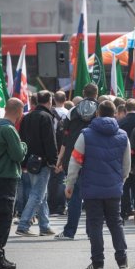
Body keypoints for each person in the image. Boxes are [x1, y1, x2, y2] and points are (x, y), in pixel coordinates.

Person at [65, 100, 131, 269]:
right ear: (115, 113)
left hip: (91, 189)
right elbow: (126, 165)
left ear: (97, 113)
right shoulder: (123, 135)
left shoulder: (85, 134)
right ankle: (122, 261)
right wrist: (121, 181)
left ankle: (98, 263)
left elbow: (75, 161)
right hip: (114, 187)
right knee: (116, 224)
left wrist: (69, 183)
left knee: (95, 225)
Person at [0, 98, 27, 269]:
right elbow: (18, 155)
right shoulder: (9, 129)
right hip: (6, 176)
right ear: (18, 111)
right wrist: (24, 145)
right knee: (3, 219)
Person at [53, 83, 98, 240]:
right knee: (93, 198)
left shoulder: (72, 111)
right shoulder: (100, 110)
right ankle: (91, 232)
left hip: (73, 158)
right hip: (95, 159)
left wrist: (59, 159)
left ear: (83, 93)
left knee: (73, 195)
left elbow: (65, 139)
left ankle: (69, 231)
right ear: (96, 94)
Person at [16, 90, 57, 237]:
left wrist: (23, 160)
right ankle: (23, 224)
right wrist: (53, 160)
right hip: (43, 161)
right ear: (50, 100)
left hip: (30, 160)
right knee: (38, 194)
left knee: (41, 194)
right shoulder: (46, 117)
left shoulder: (27, 117)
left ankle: (44, 226)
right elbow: (50, 141)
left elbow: (22, 139)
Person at [118, 99, 135, 222]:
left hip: (124, 158)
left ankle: (124, 212)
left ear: (125, 110)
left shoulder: (121, 122)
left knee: (125, 187)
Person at [49, 91, 69, 216]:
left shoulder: (49, 113)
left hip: (53, 148)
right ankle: (61, 206)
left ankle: (51, 206)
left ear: (54, 100)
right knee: (62, 179)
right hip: (65, 148)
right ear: (65, 99)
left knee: (51, 179)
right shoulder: (68, 113)